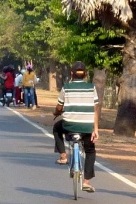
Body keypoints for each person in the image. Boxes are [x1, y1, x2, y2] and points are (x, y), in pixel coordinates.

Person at [53, 61, 99, 193]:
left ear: (71, 73)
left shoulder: (66, 87)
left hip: (69, 125)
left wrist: (56, 113)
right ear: (85, 75)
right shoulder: (92, 88)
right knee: (90, 151)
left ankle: (63, 156)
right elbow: (95, 109)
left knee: (56, 128)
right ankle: (86, 182)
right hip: (87, 127)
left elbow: (59, 107)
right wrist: (95, 129)